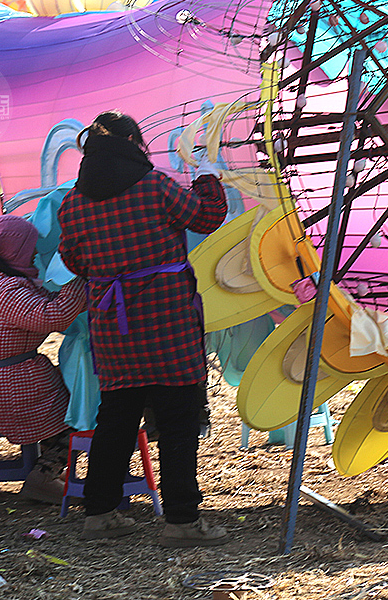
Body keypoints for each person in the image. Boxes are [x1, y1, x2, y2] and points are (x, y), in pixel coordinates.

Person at [57, 111, 229, 547]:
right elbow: (207, 217)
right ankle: (182, 522)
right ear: (134, 143)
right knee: (177, 422)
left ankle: (98, 513)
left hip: (114, 327)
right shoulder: (154, 187)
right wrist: (208, 178)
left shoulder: (73, 203)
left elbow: (75, 261)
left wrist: (111, 265)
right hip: (167, 319)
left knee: (115, 420)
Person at [0, 214, 88, 504]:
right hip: (6, 384)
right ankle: (44, 475)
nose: (33, 253)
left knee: (72, 399)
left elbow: (44, 304)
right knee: (82, 411)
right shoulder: (6, 290)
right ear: (13, 251)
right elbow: (54, 315)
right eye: (29, 248)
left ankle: (44, 470)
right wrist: (77, 276)